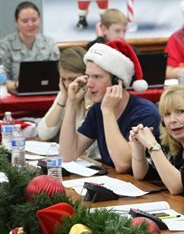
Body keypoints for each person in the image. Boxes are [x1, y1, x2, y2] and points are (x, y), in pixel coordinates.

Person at [59, 40, 160, 172]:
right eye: (88, 76)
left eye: (97, 77)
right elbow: (67, 154)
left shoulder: (145, 113)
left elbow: (123, 164)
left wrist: (107, 112)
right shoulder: (98, 109)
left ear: (117, 82)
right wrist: (72, 103)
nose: (89, 84)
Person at [129, 85, 184, 198]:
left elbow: (177, 187)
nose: (172, 120)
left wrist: (152, 145)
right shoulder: (175, 144)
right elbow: (141, 175)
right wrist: (138, 146)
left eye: (180, 112)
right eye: (167, 114)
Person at [36, 46, 99, 158]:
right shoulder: (66, 92)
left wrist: (88, 101)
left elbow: (89, 148)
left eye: (72, 79)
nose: (67, 84)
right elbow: (44, 134)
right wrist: (63, 97)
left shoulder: (98, 96)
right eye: (63, 79)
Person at [0, 1, 60, 92]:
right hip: (15, 96)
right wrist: (16, 84)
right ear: (16, 22)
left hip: (46, 93)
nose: (30, 25)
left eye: (34, 20)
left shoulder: (49, 43)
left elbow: (58, 75)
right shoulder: (5, 45)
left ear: (39, 19)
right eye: (25, 21)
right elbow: (2, 80)